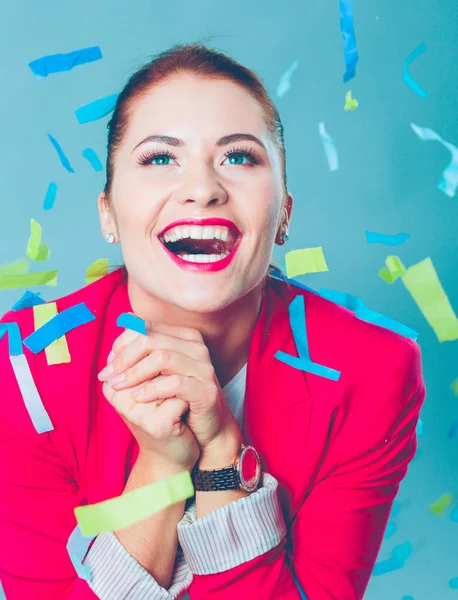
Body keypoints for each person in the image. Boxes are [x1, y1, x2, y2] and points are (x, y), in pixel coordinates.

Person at [0, 42, 425, 600]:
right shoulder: (24, 368)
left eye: (239, 157)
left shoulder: (374, 372)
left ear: (284, 215)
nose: (203, 189)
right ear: (107, 212)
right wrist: (161, 466)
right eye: (159, 158)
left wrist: (223, 455)